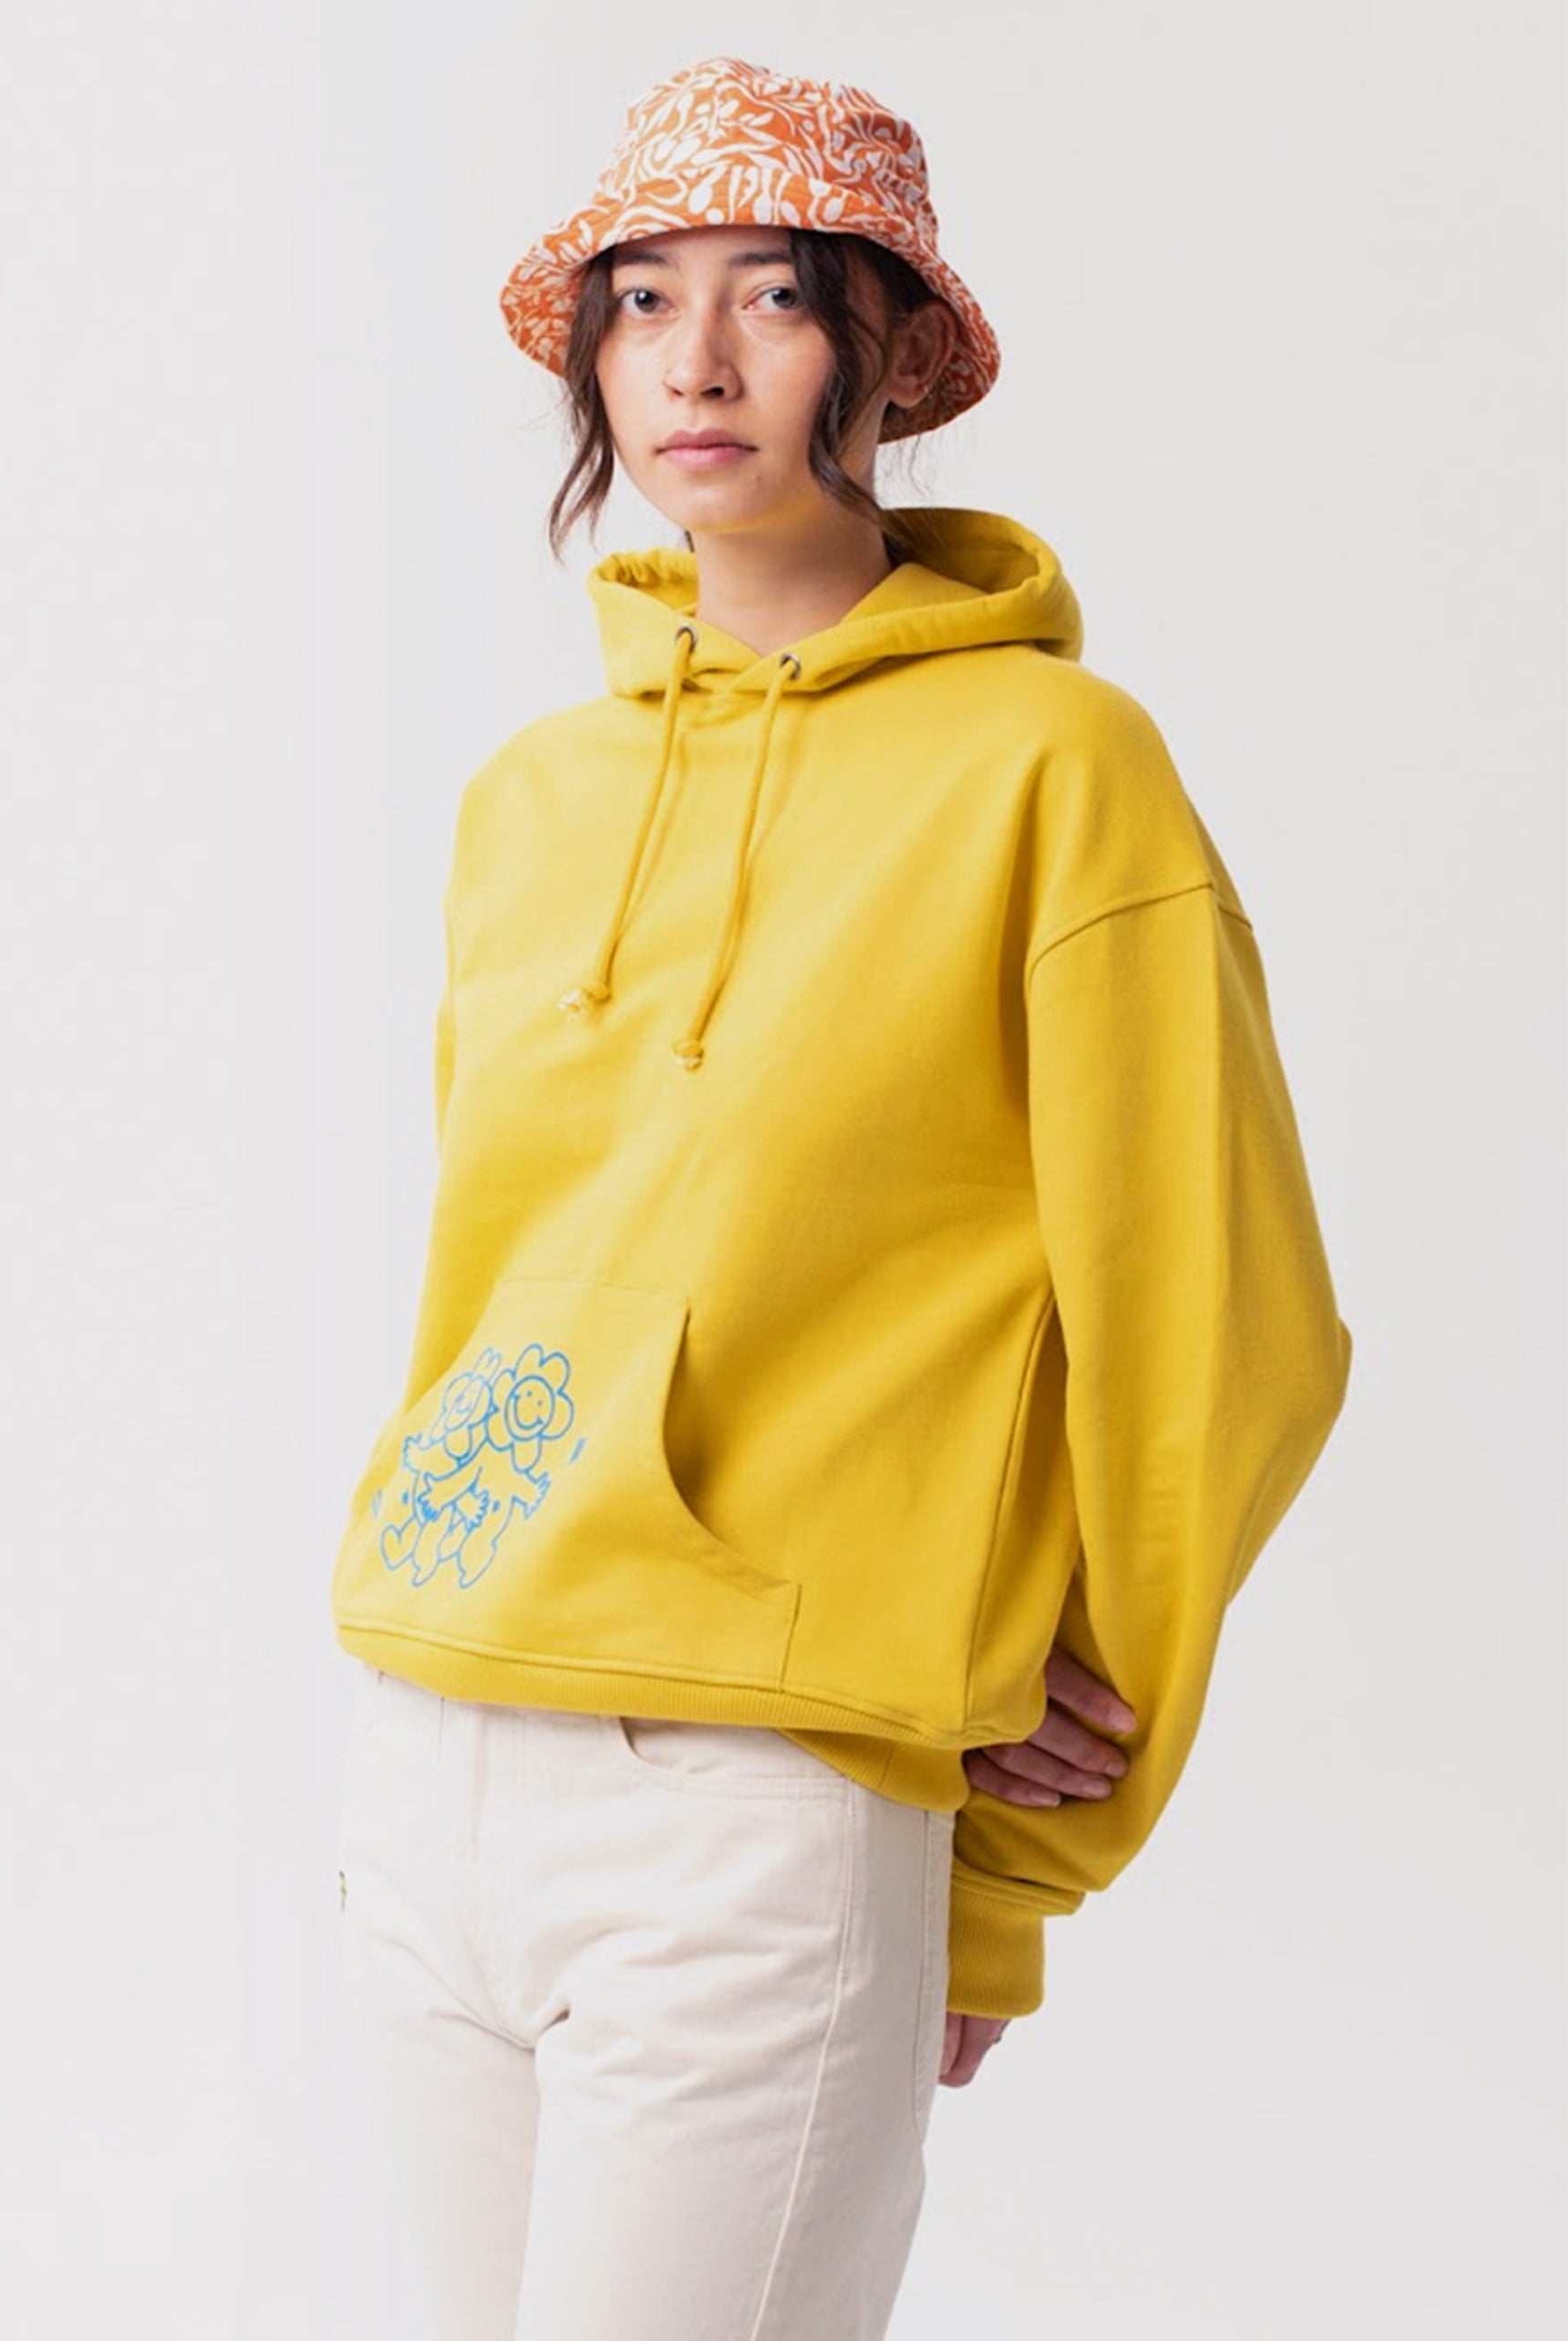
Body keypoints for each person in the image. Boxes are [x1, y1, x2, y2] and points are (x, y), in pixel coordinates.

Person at [329, 54, 1353, 2341]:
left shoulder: (1056, 771)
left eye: (774, 296)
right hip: (428, 1747)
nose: (696, 360)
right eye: (643, 298)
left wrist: (1020, 1861)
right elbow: (491, 1285)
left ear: (885, 354)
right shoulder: (531, 799)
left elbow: (1217, 1330)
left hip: (759, 1804)